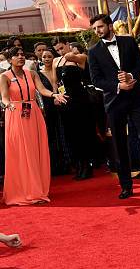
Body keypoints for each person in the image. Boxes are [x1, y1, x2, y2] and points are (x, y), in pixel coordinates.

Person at [87, 14, 140, 199]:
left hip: (135, 97)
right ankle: (126, 185)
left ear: (110, 26)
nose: (98, 31)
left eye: (100, 27)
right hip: (114, 101)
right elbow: (96, 80)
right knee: (119, 144)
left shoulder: (128, 42)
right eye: (94, 29)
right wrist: (119, 85)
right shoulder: (93, 51)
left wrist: (130, 77)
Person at [0, 46, 68, 206]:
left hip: (34, 113)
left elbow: (42, 90)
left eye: (22, 54)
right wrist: (8, 105)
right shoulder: (4, 76)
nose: (21, 57)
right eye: (16, 55)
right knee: (21, 153)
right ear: (9, 60)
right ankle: (24, 191)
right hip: (16, 114)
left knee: (35, 150)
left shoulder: (32, 74)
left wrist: (54, 94)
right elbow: (4, 97)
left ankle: (37, 189)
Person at [52, 37, 96, 180]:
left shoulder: (79, 57)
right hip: (66, 100)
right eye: (56, 49)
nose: (59, 51)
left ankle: (87, 166)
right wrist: (56, 96)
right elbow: (55, 81)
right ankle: (78, 165)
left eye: (61, 48)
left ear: (67, 45)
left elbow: (73, 57)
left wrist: (68, 53)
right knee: (70, 134)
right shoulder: (55, 62)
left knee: (83, 132)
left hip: (80, 99)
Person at [39, 47, 71, 175]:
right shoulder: (37, 73)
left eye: (49, 57)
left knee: (63, 132)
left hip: (60, 104)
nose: (46, 59)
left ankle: (67, 162)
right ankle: (54, 165)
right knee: (51, 135)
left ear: (54, 58)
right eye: (44, 57)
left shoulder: (58, 71)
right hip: (46, 107)